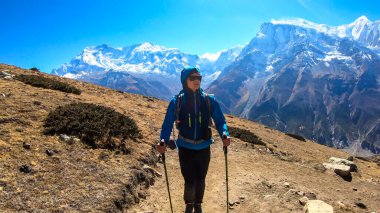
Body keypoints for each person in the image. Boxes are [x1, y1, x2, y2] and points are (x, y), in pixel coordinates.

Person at [157, 67, 231, 213]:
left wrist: (224, 133)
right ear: (185, 81)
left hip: (204, 147)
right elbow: (167, 124)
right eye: (193, 78)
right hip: (185, 147)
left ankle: (198, 205)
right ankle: (189, 205)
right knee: (190, 181)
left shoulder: (209, 100)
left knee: (201, 179)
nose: (197, 80)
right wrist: (163, 141)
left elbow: (220, 120)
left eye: (199, 78)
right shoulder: (176, 102)